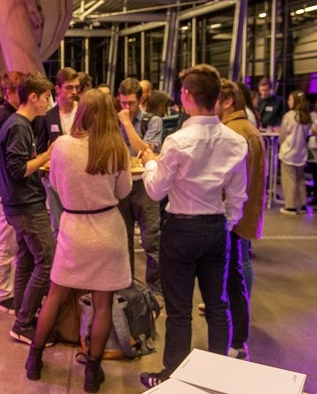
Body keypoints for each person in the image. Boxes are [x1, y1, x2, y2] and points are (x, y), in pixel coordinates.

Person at [139, 64, 248, 388]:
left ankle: (173, 376)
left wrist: (148, 164)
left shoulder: (178, 140)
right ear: (217, 98)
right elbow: (238, 196)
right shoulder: (235, 141)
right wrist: (224, 223)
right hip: (216, 229)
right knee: (217, 306)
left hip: (181, 230)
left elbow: (156, 190)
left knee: (180, 311)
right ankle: (215, 376)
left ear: (186, 96)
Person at [25, 89, 132, 393]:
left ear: (82, 111)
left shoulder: (61, 146)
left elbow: (55, 185)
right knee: (103, 304)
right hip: (107, 229)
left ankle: (34, 359)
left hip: (74, 229)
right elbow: (123, 192)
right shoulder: (116, 148)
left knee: (55, 296)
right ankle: (92, 375)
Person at [0, 72, 56, 345]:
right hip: (26, 206)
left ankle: (23, 316)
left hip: (19, 204)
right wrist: (47, 155)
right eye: (46, 98)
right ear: (33, 97)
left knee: (27, 260)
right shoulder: (19, 126)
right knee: (47, 260)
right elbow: (18, 169)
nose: (48, 103)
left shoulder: (17, 124)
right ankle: (23, 323)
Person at [215, 79, 266, 360]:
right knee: (238, 272)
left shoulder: (233, 132)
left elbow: (229, 184)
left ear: (227, 102)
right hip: (243, 215)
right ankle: (239, 338)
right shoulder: (248, 128)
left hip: (231, 218)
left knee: (233, 277)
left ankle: (235, 341)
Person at [117, 77, 163, 293]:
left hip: (145, 185)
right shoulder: (111, 120)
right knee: (122, 239)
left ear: (140, 100)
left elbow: (144, 152)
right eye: (123, 103)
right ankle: (126, 286)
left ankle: (155, 289)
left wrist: (127, 124)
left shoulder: (152, 121)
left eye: (132, 103)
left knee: (151, 239)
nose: (127, 108)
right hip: (120, 185)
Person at [0, 71, 24, 315]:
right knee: (6, 245)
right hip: (6, 192)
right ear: (8, 92)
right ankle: (3, 295)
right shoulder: (6, 118)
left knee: (10, 244)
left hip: (6, 190)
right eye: (19, 91)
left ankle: (7, 291)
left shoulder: (8, 116)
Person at [36, 67, 80, 240]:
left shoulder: (84, 112)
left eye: (76, 87)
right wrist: (43, 176)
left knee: (78, 225)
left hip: (80, 178)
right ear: (57, 89)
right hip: (54, 180)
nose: (74, 92)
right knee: (57, 227)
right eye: (69, 87)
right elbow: (40, 148)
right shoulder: (48, 116)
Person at [278, 91, 311, 215]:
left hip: (288, 152)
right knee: (300, 180)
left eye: (290, 100)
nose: (288, 102)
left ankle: (290, 206)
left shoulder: (289, 116)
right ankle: (303, 205)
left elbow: (283, 134)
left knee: (289, 180)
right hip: (301, 153)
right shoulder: (307, 117)